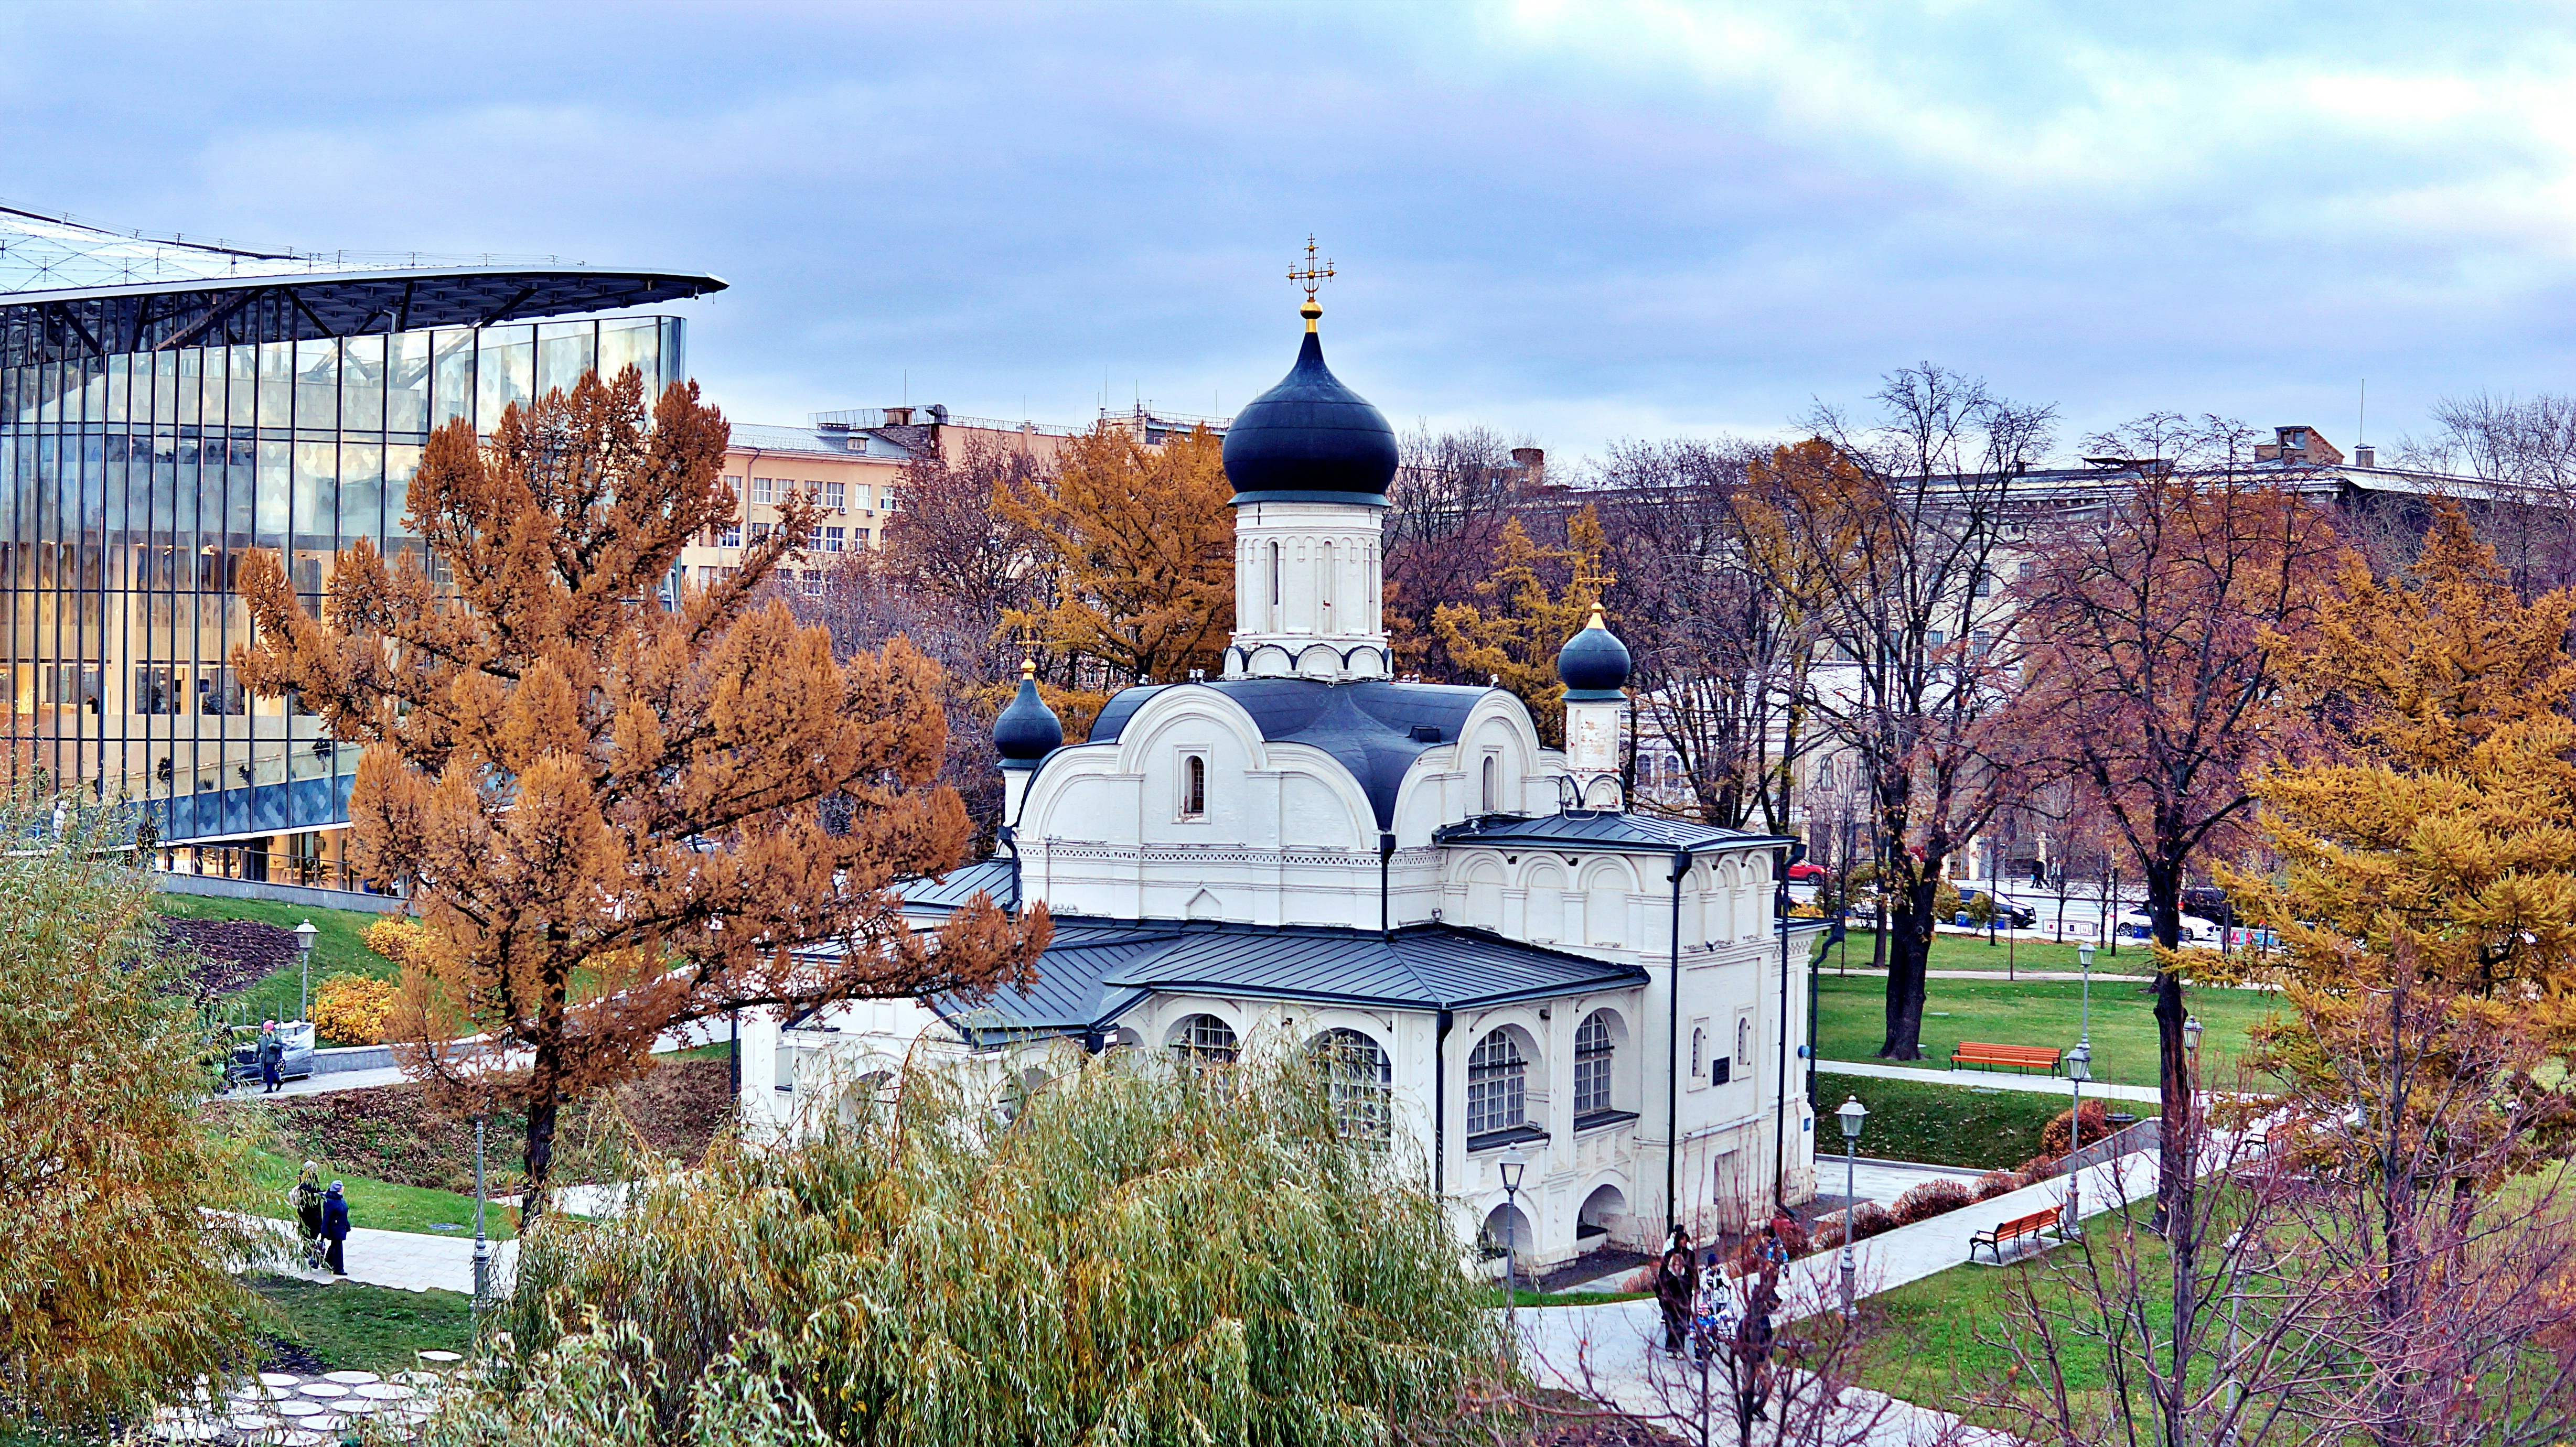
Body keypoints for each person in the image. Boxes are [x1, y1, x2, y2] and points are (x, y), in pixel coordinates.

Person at [1654, 1226, 1698, 1356]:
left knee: (1682, 1323)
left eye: (1685, 1240)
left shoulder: (1690, 1255)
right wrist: (1662, 1296)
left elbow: (1693, 1272)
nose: (1683, 1243)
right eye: (1681, 1240)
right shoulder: (1669, 1256)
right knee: (1671, 1322)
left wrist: (1697, 1286)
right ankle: (1670, 1348)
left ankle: (1679, 1348)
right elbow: (1661, 1278)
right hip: (1670, 1298)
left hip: (1683, 1297)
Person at [292, 1162, 326, 1268]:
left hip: (305, 1211)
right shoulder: (307, 1182)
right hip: (310, 1211)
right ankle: (308, 1250)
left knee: (308, 1230)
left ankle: (307, 1250)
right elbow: (310, 1196)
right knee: (312, 1230)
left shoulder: (304, 1178)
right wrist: (320, 1195)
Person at [320, 1181, 350, 1276]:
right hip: (335, 1229)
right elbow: (326, 1218)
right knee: (338, 1248)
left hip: (341, 1227)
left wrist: (347, 1226)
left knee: (335, 1245)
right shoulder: (330, 1202)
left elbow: (343, 1215)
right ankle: (339, 1269)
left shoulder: (340, 1199)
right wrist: (324, 1233)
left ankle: (327, 1263)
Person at [256, 1022, 284, 1095]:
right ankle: (279, 1082)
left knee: (269, 1072)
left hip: (273, 1058)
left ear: (270, 1029)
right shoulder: (263, 1037)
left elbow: (281, 1046)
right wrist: (255, 1055)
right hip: (265, 1058)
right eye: (264, 1028)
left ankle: (269, 1088)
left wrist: (273, 1046)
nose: (265, 1030)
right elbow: (259, 1047)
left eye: (266, 1028)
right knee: (270, 1072)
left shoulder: (275, 1036)